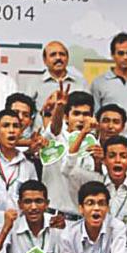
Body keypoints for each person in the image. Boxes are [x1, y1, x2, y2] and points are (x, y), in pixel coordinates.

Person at [66, 135, 127, 238]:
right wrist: (84, 133)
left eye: (123, 156)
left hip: (125, 245)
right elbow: (67, 170)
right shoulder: (93, 183)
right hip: (93, 244)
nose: (118, 160)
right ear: (104, 161)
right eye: (112, 156)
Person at [41, 91, 96, 222]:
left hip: (79, 220)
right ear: (66, 117)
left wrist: (98, 162)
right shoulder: (55, 138)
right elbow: (54, 128)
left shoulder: (94, 144)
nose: (81, 119)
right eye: (76, 114)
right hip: (51, 216)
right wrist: (59, 107)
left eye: (86, 114)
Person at [0, 110, 38, 213]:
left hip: (19, 221)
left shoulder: (28, 165)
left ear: (21, 132)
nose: (11, 130)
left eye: (16, 126)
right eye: (6, 126)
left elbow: (34, 197)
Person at [28, 41, 84, 115]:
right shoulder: (34, 83)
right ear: (44, 60)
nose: (58, 58)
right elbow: (26, 110)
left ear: (67, 58)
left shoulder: (80, 83)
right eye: (53, 55)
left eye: (62, 54)